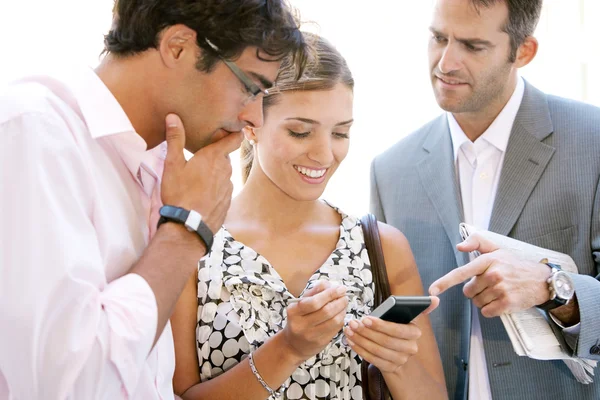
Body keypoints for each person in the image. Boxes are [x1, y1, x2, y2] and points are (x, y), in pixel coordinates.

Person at [0, 1, 308, 399]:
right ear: (178, 46)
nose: (256, 118)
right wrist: (185, 231)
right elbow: (67, 386)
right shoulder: (34, 134)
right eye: (251, 87)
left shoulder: (164, 165)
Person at [170, 33, 447, 400]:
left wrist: (396, 361)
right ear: (251, 123)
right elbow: (176, 395)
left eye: (340, 133)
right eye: (300, 132)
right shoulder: (193, 245)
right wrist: (288, 348)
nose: (324, 154)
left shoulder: (382, 246)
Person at [370, 0, 600, 398]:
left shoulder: (592, 141)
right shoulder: (390, 170)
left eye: (472, 46)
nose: (445, 63)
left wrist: (552, 287)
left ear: (523, 51)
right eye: (439, 38)